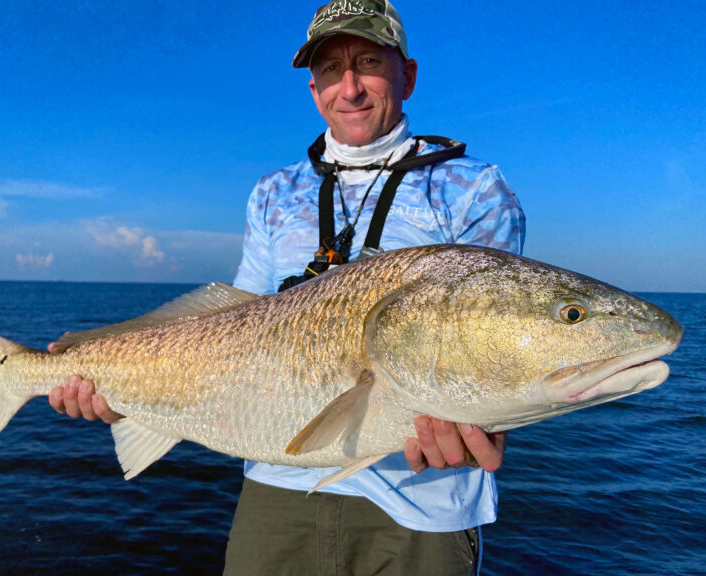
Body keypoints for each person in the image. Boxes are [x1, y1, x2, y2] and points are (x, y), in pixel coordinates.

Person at [49, 1, 525, 574]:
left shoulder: (472, 188)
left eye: (369, 62)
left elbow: (492, 334)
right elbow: (228, 327)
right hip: (277, 491)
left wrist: (488, 422)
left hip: (424, 504)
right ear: (313, 88)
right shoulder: (274, 192)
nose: (348, 88)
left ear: (409, 74)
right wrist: (119, 376)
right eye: (330, 70)